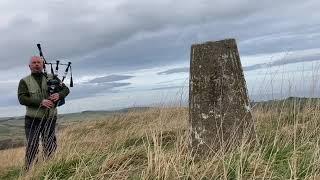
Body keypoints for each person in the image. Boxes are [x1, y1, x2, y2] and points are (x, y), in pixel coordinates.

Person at [17, 56, 70, 170]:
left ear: (43, 65)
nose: (36, 64)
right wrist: (40, 102)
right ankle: (30, 171)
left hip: (50, 118)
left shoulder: (52, 77)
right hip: (32, 119)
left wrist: (59, 95)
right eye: (34, 63)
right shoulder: (25, 81)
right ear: (29, 66)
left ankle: (49, 168)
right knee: (32, 145)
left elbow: (66, 89)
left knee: (50, 144)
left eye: (39, 62)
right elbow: (22, 99)